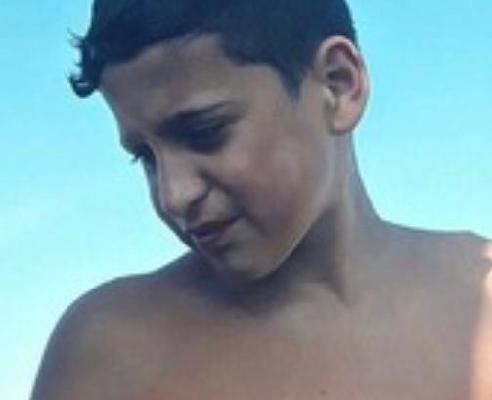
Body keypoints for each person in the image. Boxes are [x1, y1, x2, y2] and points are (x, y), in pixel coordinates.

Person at [32, 0, 492, 399]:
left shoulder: (479, 300)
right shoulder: (109, 353)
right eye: (145, 157)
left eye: (204, 132)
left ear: (338, 84)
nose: (174, 195)